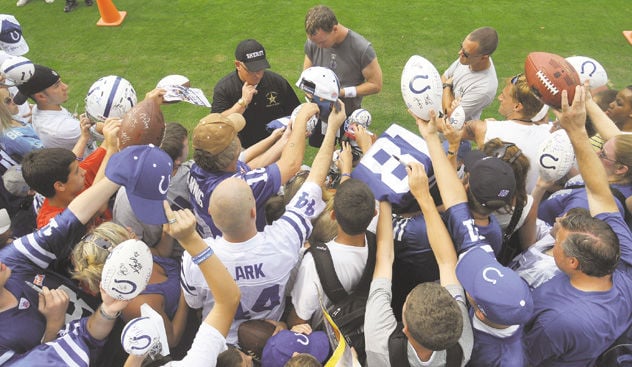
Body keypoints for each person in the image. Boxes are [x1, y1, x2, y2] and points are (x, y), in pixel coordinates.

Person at [181, 100, 345, 344]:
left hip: (218, 344)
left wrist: (281, 140)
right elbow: (311, 179)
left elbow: (194, 302)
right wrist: (329, 128)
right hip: (268, 339)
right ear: (253, 211)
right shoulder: (282, 243)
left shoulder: (195, 256)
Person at [0, 143, 171, 363]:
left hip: (109, 325)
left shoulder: (8, 261)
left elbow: (67, 221)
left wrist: (116, 176)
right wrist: (52, 326)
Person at [523, 86, 632, 365]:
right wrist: (577, 130)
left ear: (573, 263)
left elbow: (523, 358)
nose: (556, 226)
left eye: (557, 240)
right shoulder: (625, 264)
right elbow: (598, 192)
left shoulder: (558, 320)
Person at [364, 177, 473, 366]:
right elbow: (447, 263)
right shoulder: (462, 346)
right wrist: (424, 198)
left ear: (404, 328)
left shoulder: (379, 344)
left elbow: (384, 259)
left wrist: (385, 196)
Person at [123, 201, 241, 367]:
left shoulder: (139, 254)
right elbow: (173, 339)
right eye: (126, 238)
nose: (131, 232)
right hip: (187, 328)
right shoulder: (140, 302)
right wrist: (190, 240)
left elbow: (161, 254)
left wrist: (167, 233)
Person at [188, 102, 318, 238]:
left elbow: (248, 168)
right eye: (236, 135)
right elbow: (291, 165)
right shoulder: (234, 190)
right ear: (234, 151)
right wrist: (302, 119)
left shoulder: (200, 167)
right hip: (246, 253)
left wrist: (285, 139)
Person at [303, 5, 383, 146]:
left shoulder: (361, 48)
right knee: (324, 155)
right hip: (320, 114)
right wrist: (311, 93)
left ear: (335, 29)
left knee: (350, 158)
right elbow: (306, 76)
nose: (318, 46)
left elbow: (376, 85)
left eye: (321, 42)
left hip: (349, 115)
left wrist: (341, 93)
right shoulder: (314, 42)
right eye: (314, 42)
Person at [21, 118, 119, 229]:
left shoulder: (71, 180)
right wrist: (112, 148)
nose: (84, 171)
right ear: (60, 185)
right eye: (77, 171)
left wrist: (111, 128)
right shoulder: (53, 224)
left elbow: (105, 148)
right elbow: (97, 207)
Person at [461, 73, 550, 192]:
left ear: (517, 106)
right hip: (528, 205)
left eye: (504, 96)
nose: (499, 98)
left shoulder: (487, 129)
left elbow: (450, 130)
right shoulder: (550, 135)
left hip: (487, 203)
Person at [211, 39, 300, 149]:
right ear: (238, 65)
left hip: (276, 146)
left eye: (261, 69)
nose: (258, 75)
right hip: (241, 150)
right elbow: (216, 125)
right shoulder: (224, 88)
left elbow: (296, 113)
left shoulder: (277, 82)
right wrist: (242, 102)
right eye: (252, 70)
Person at [12, 64, 97, 157]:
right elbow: (106, 128)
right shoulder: (62, 128)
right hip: (90, 168)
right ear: (41, 96)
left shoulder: (39, 109)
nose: (65, 87)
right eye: (57, 85)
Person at [442, 27, 499, 122]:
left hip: (452, 134)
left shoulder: (484, 88)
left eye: (466, 53)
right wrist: (449, 101)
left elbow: (450, 116)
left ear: (484, 57)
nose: (459, 53)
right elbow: (443, 77)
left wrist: (447, 86)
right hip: (436, 125)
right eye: (461, 47)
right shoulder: (468, 57)